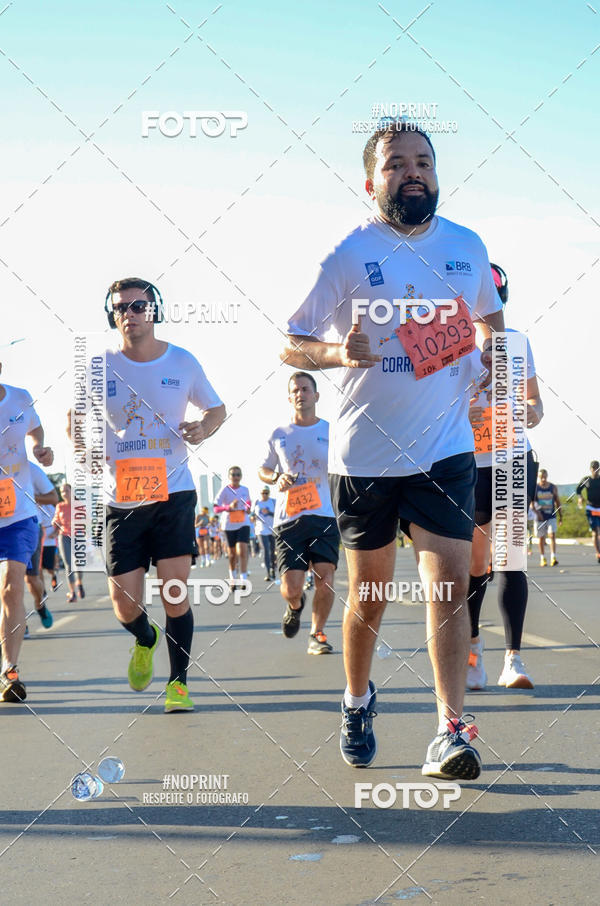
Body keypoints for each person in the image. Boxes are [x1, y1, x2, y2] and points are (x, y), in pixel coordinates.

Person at [282, 121, 505, 777]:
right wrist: (332, 353)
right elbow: (290, 341)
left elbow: (491, 322)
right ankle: (356, 698)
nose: (413, 172)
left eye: (423, 162)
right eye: (397, 163)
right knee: (370, 597)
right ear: (371, 180)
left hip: (444, 448)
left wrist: (491, 352)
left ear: (435, 173)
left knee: (447, 589)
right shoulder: (348, 253)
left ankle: (450, 731)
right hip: (365, 458)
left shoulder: (466, 246)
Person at [68, 277, 225, 713]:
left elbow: (216, 408)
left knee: (175, 592)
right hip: (122, 499)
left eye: (138, 306)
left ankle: (178, 684)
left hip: (173, 492)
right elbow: (76, 419)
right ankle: (145, 637)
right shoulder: (99, 366)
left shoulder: (182, 361)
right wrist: (84, 448)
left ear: (153, 311)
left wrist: (204, 427)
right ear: (111, 314)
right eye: (121, 308)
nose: (129, 314)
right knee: (124, 602)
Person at [466, 263, 543, 691]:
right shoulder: (453, 346)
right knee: (476, 564)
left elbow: (536, 403)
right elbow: (433, 410)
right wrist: (464, 412)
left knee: (511, 555)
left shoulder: (517, 343)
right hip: (469, 464)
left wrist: (532, 411)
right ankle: (473, 650)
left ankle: (513, 660)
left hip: (513, 458)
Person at [259, 372, 339, 655]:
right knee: (292, 587)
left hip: (325, 514)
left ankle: (317, 634)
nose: (300, 394)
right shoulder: (278, 434)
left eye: (306, 389)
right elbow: (263, 469)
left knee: (326, 578)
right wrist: (275, 478)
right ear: (289, 397)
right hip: (288, 518)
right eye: (295, 390)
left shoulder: (331, 430)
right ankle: (295, 606)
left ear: (316, 396)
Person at [0, 365, 54, 701]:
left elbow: (36, 429)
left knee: (11, 586)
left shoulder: (19, 397)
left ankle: (10, 669)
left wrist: (40, 449)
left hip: (17, 514)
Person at [24, 462, 59, 629]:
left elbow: (53, 498)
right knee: (7, 582)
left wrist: (28, 495)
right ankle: (18, 625)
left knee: (31, 579)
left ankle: (40, 605)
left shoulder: (29, 468)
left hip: (28, 527)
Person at [214, 467, 251, 590]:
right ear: (229, 476)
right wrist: (228, 507)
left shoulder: (245, 489)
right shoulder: (225, 490)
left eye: (238, 475)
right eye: (233, 475)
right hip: (229, 524)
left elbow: (248, 503)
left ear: (241, 476)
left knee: (242, 550)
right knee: (232, 554)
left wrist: (248, 508)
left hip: (243, 522)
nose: (235, 477)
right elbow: (215, 508)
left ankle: (244, 579)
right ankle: (233, 580)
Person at [53, 483, 85, 602]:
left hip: (78, 535)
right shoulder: (60, 506)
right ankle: (72, 593)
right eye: (62, 491)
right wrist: (54, 523)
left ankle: (79, 584)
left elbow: (86, 520)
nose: (64, 493)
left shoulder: (79, 505)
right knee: (68, 565)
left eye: (66, 490)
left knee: (79, 564)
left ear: (72, 492)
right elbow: (56, 520)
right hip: (64, 536)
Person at [534, 470, 561, 566]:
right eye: (541, 477)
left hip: (551, 516)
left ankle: (553, 557)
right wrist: (537, 513)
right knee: (541, 537)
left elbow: (558, 501)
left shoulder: (552, 487)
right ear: (538, 477)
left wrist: (560, 516)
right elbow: (531, 503)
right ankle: (543, 558)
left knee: (552, 535)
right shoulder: (535, 488)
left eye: (545, 477)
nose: (543, 479)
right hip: (540, 517)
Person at [577, 461, 600, 563]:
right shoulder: (587, 480)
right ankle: (598, 553)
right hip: (591, 508)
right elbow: (578, 490)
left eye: (597, 467)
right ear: (590, 469)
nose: (595, 469)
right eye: (593, 467)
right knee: (595, 532)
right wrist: (580, 497)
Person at [253, 487, 276, 581]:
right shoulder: (257, 502)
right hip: (261, 530)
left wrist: (269, 512)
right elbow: (251, 514)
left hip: (272, 529)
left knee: (273, 550)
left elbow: (278, 515)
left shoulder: (273, 501)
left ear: (269, 493)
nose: (265, 495)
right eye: (263, 493)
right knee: (266, 550)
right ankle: (267, 573)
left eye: (266, 493)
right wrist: (252, 517)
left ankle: (272, 569)